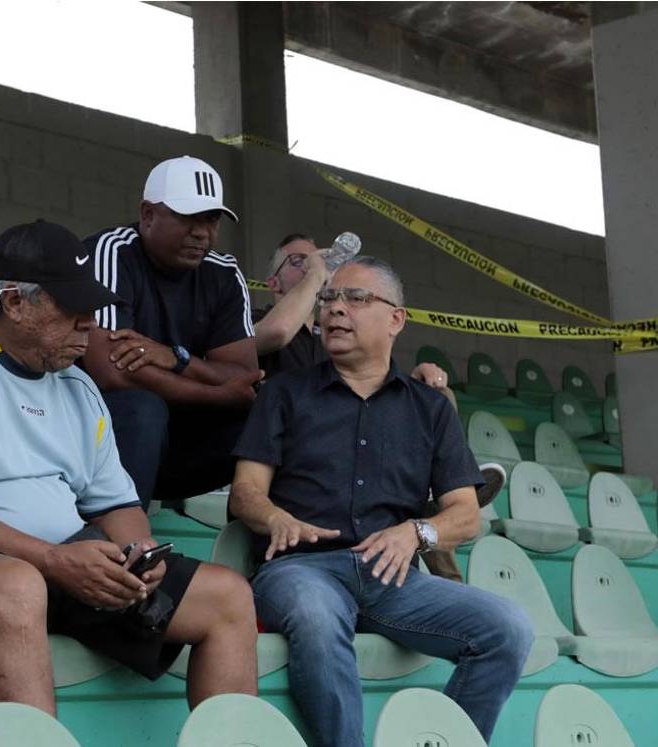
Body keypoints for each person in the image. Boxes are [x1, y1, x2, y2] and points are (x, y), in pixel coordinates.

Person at [0, 220, 257, 715]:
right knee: (16, 584)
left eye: (91, 308)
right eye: (72, 309)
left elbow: (116, 503)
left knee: (225, 596)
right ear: (14, 302)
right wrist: (50, 561)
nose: (90, 324)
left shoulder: (78, 386)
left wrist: (138, 554)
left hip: (59, 561)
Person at [229, 256, 533, 747]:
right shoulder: (285, 392)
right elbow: (245, 492)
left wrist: (417, 532)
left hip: (392, 576)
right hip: (302, 569)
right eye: (329, 298)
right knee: (314, 613)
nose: (334, 309)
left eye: (355, 298)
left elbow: (465, 515)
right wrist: (274, 516)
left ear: (396, 319)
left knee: (510, 628)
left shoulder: (430, 408)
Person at [254, 234, 506, 582]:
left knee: (434, 398)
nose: (318, 267)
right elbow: (279, 331)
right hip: (292, 467)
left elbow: (373, 377)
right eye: (298, 261)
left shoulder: (330, 337)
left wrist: (415, 386)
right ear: (272, 282)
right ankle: (432, 497)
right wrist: (317, 276)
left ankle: (434, 494)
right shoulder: (262, 324)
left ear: (397, 320)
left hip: (369, 479)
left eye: (353, 296)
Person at [80, 156, 263, 511]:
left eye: (211, 220)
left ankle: (271, 546)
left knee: (271, 416)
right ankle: (119, 541)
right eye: (188, 218)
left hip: (179, 445)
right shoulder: (111, 250)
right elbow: (110, 371)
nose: (202, 232)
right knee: (143, 407)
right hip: (101, 442)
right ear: (147, 215)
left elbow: (243, 377)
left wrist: (175, 359)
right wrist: (218, 394)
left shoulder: (223, 272)